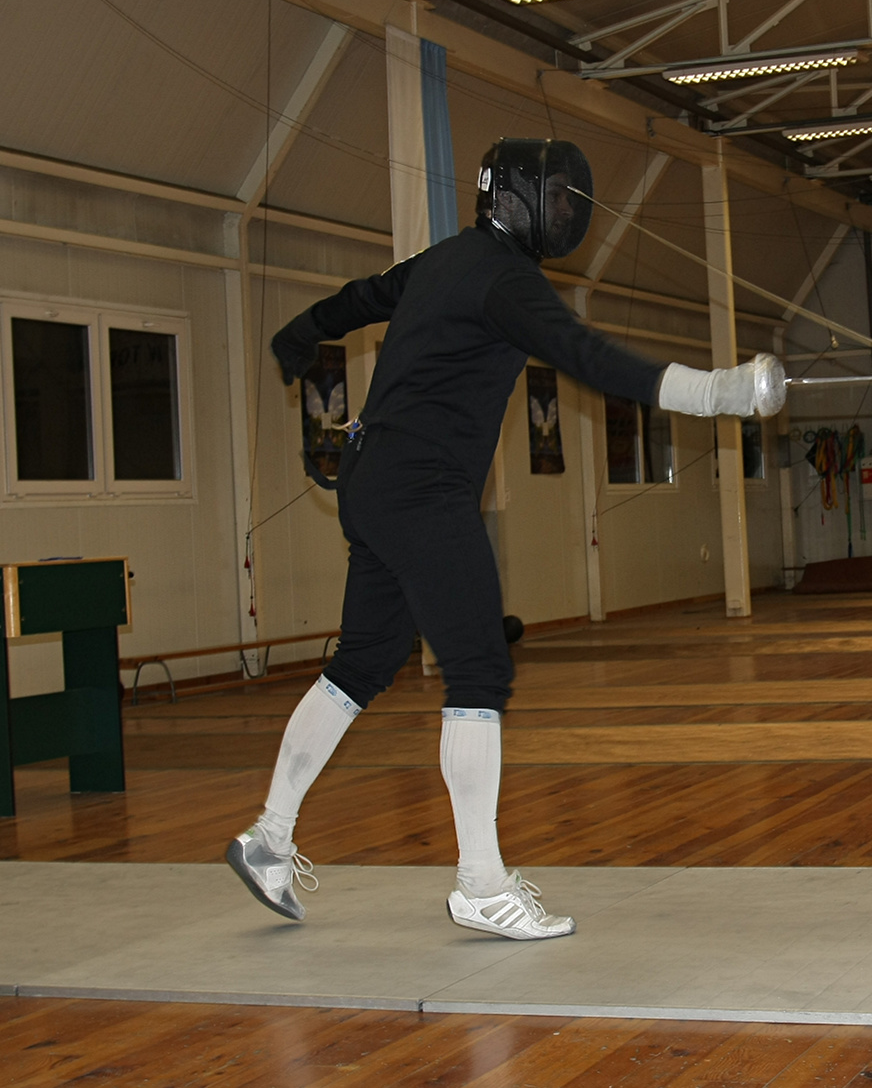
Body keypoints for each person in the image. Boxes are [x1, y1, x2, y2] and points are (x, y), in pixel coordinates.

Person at [227, 138, 786, 939]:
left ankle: (269, 840)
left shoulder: (446, 260)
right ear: (515, 197)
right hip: (421, 491)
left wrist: (297, 334)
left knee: (362, 663)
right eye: (556, 198)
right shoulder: (506, 281)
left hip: (371, 482)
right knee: (479, 669)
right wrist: (719, 392)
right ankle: (481, 885)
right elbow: (591, 357)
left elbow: (361, 298)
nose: (566, 213)